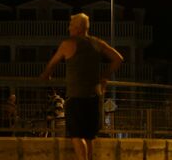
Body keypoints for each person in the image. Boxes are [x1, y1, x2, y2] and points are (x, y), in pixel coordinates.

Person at [40, 13, 123, 160]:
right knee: (89, 136)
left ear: (78, 28)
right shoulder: (97, 43)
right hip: (94, 96)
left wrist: (46, 76)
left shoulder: (68, 44)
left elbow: (51, 65)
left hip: (76, 96)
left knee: (77, 135)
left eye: (71, 26)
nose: (69, 28)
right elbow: (118, 58)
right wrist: (104, 76)